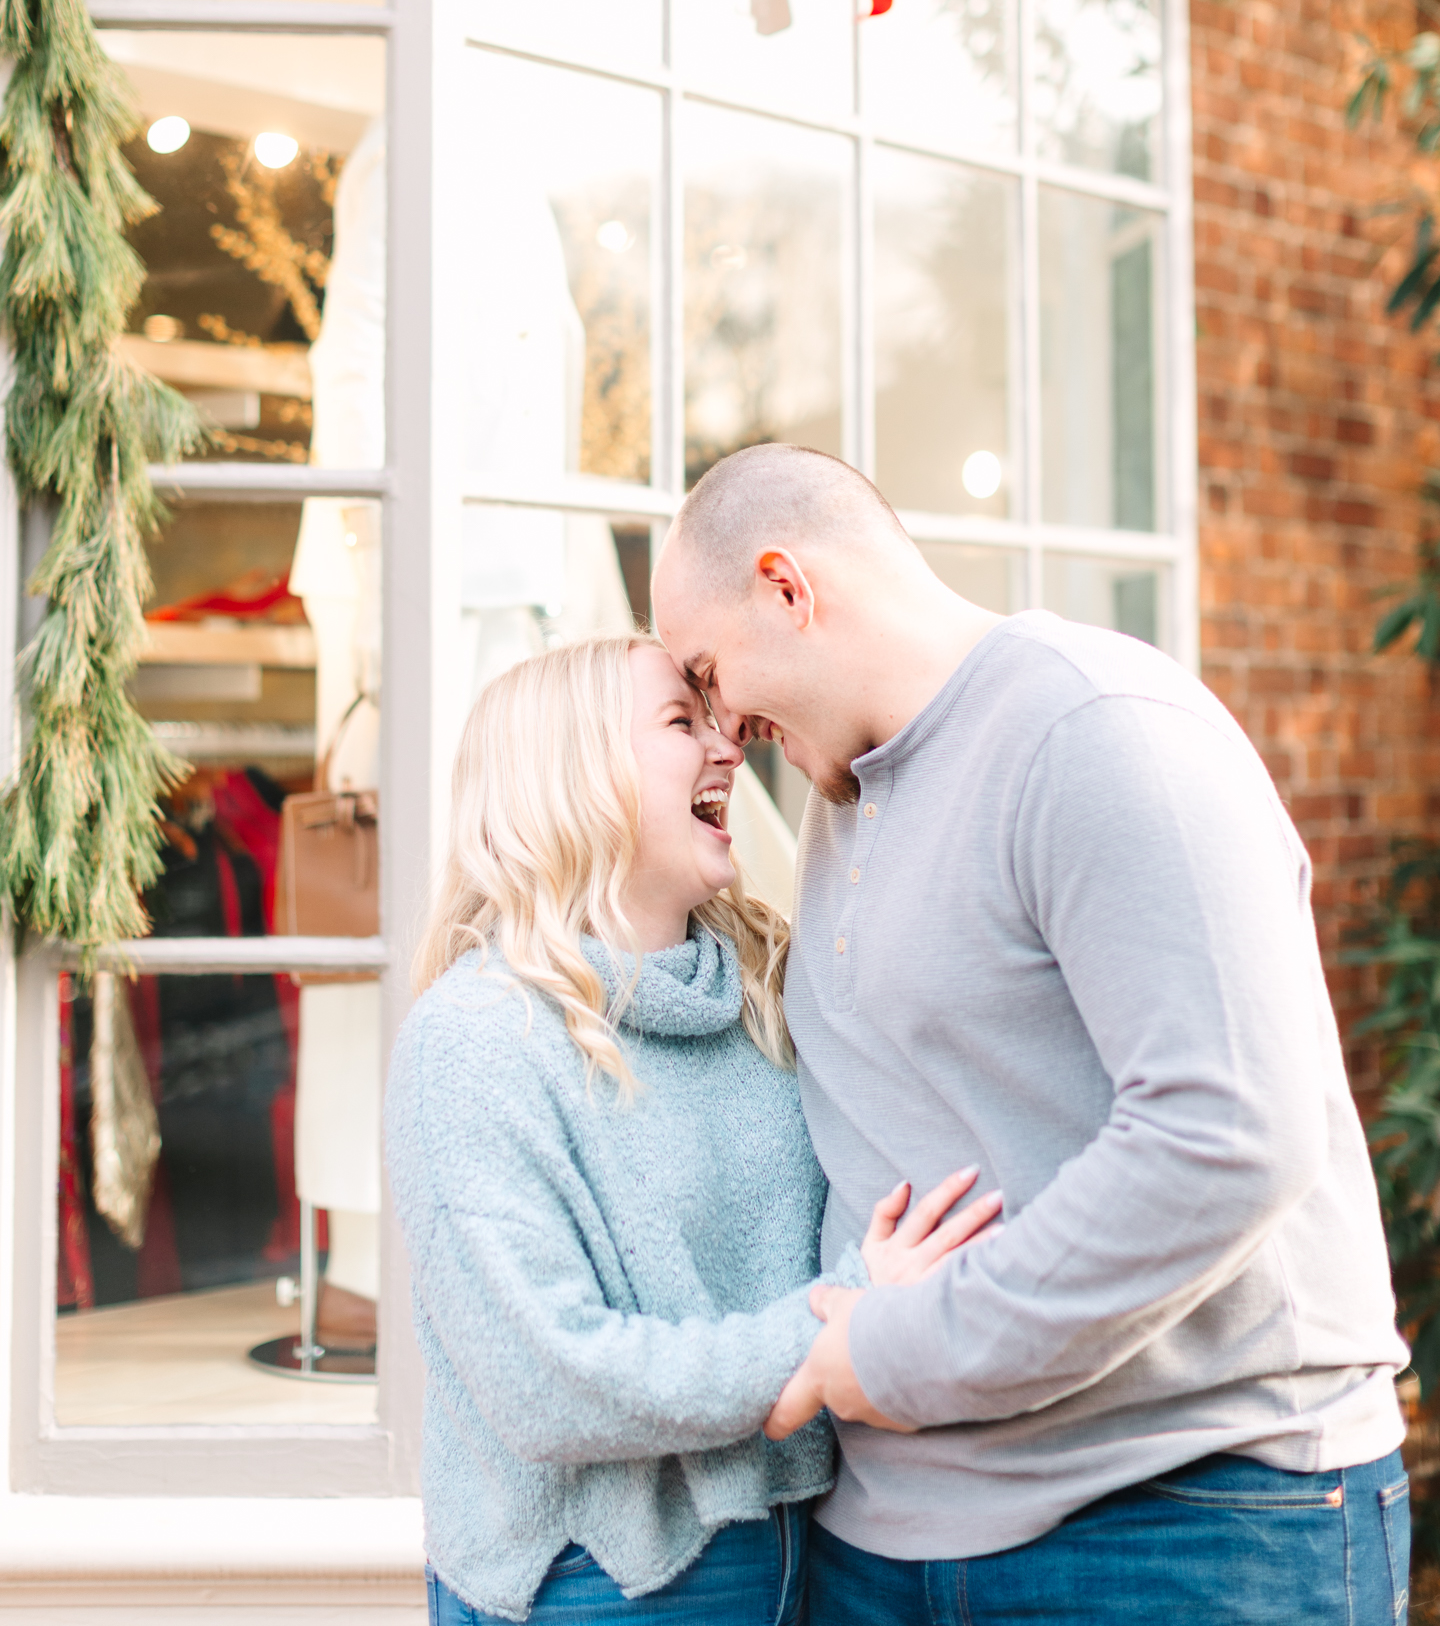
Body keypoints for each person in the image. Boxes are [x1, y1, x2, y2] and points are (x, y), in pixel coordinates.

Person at [650, 442, 1412, 1626]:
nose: (719, 723)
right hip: (889, 1543)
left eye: (709, 670)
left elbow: (1226, 1136)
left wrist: (900, 1353)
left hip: (1178, 1521)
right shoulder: (840, 801)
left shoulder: (1100, 729)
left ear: (788, 589)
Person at [386, 633, 999, 1625]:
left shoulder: (762, 988)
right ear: (573, 778)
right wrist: (846, 1318)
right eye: (682, 722)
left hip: (824, 1547)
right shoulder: (474, 1041)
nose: (728, 747)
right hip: (601, 1586)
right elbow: (544, 1383)